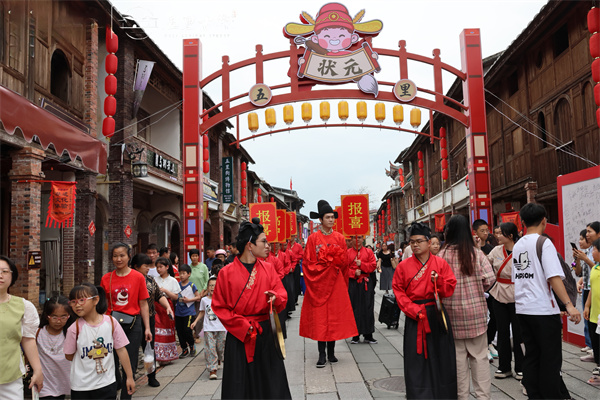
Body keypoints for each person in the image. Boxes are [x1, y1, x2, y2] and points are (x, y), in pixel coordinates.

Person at [212, 217, 291, 399]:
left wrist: (275, 297)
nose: (268, 246)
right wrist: (242, 326)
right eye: (263, 242)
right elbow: (219, 306)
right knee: (240, 384)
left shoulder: (268, 268)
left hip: (265, 333)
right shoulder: (225, 273)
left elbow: (282, 293)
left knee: (270, 382)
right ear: (250, 245)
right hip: (240, 335)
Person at [513, 202, 581, 398]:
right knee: (550, 360)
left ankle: (534, 395)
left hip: (523, 308)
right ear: (544, 221)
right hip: (543, 309)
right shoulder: (544, 243)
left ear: (523, 221)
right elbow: (553, 277)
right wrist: (569, 305)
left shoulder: (518, 245)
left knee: (532, 356)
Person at [392, 222, 457, 399]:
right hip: (416, 316)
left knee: (442, 356)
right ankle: (419, 394)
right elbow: (398, 291)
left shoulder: (440, 263)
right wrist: (413, 310)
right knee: (416, 359)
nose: (415, 245)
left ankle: (443, 394)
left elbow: (450, 287)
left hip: (436, 313)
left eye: (419, 241)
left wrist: (439, 281)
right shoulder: (403, 266)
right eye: (412, 242)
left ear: (429, 242)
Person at [438, 215, 495, 400]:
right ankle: (483, 397)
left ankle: (462, 397)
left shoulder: (441, 256)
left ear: (449, 232)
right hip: (476, 314)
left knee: (458, 361)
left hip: (451, 315)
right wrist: (478, 289)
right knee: (480, 359)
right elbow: (490, 279)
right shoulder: (476, 254)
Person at [300, 200, 357, 368]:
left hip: (336, 282)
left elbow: (345, 263)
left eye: (332, 217)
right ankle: (321, 354)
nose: (331, 220)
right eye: (328, 217)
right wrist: (323, 267)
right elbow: (307, 263)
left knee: (333, 318)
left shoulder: (339, 238)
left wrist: (340, 273)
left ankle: (331, 353)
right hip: (319, 283)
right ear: (321, 220)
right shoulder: (313, 238)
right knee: (320, 318)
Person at [100, 243, 151, 400]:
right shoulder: (106, 278)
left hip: (133, 324)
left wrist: (147, 328)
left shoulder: (138, 277)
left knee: (131, 360)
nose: (118, 259)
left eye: (122, 255)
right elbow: (103, 305)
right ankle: (113, 390)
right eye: (115, 256)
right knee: (111, 361)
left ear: (129, 256)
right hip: (111, 324)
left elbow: (143, 303)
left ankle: (126, 396)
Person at [65, 283, 134, 399]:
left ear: (95, 300)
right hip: (82, 387)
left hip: (107, 383)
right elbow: (68, 355)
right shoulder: (74, 329)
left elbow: (121, 350)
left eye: (81, 300)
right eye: (73, 302)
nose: (77, 305)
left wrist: (129, 377)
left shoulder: (111, 322)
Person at [0, 255, 43, 399]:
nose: (0, 275)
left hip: (11, 377)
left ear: (12, 276)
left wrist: (37, 370)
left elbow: (28, 339)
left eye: (5, 271)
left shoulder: (23, 307)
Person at [486, 222, 524, 380]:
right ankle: (504, 367)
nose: (497, 235)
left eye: (501, 233)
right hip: (499, 293)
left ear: (510, 235)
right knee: (502, 331)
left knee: (519, 332)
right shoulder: (495, 250)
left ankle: (521, 367)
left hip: (518, 293)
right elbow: (485, 265)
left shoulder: (521, 249)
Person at [131, 254, 175, 386]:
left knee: (149, 348)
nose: (148, 269)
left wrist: (167, 307)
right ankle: (130, 377)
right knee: (132, 350)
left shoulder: (150, 280)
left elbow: (159, 295)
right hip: (132, 320)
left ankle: (151, 376)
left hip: (149, 318)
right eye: (146, 266)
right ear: (136, 266)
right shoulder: (130, 280)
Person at [36, 296, 74, 400]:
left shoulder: (70, 334)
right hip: (45, 385)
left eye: (63, 317)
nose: (58, 321)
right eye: (54, 317)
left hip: (64, 383)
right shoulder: (38, 333)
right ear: (47, 316)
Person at [191, 276, 226, 380]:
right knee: (210, 348)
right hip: (208, 328)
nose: (212, 287)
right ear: (207, 287)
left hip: (221, 327)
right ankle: (212, 369)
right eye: (210, 285)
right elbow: (202, 312)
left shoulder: (223, 299)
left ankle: (219, 358)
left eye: (215, 285)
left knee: (220, 347)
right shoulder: (204, 300)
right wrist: (195, 322)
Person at [472, 219, 498, 360]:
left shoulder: (491, 249)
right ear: (475, 232)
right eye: (482, 231)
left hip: (491, 287)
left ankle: (489, 342)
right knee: (482, 317)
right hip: (477, 288)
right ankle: (483, 346)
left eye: (487, 230)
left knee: (494, 316)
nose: (486, 233)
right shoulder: (471, 250)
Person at [576, 222, 600, 361]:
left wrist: (585, 259)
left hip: (594, 291)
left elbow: (596, 269)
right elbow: (580, 272)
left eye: (589, 231)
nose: (587, 235)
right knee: (590, 323)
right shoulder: (589, 250)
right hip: (589, 289)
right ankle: (594, 351)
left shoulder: (593, 251)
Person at [348, 235, 378, 344]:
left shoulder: (369, 252)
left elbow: (373, 266)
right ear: (351, 240)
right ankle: (355, 335)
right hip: (353, 283)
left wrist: (362, 265)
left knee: (368, 307)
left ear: (363, 239)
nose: (357, 240)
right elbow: (343, 269)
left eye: (360, 237)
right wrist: (353, 272)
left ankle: (368, 334)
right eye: (354, 238)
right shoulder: (347, 253)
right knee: (354, 307)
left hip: (366, 282)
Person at [583, 238, 600, 386]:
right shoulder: (595, 268)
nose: (592, 252)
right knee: (596, 344)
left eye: (594, 249)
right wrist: (587, 306)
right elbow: (591, 289)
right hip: (595, 315)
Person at [175, 264, 201, 358]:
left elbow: (198, 297)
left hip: (189, 312)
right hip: (178, 312)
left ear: (189, 274)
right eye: (180, 273)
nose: (181, 275)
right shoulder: (177, 285)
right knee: (179, 331)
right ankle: (184, 349)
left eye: (184, 273)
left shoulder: (192, 285)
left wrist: (189, 300)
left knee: (187, 330)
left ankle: (192, 346)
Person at [188, 248, 209, 343]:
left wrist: (203, 292)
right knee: (191, 315)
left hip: (201, 295)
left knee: (199, 315)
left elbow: (207, 280)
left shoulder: (203, 267)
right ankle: (192, 332)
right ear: (190, 257)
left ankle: (197, 334)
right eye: (193, 256)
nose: (194, 258)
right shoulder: (189, 268)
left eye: (196, 256)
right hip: (190, 296)